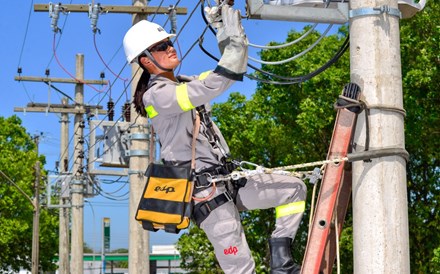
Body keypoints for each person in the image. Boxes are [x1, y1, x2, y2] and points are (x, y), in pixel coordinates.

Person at [123, 5, 306, 274]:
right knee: (241, 268)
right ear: (146, 61)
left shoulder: (186, 82)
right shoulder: (157, 97)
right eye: (161, 46)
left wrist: (226, 28)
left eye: (169, 42)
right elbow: (215, 83)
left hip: (229, 180)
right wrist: (229, 39)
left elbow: (227, 71)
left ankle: (281, 260)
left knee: (293, 189)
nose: (170, 47)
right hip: (206, 194)